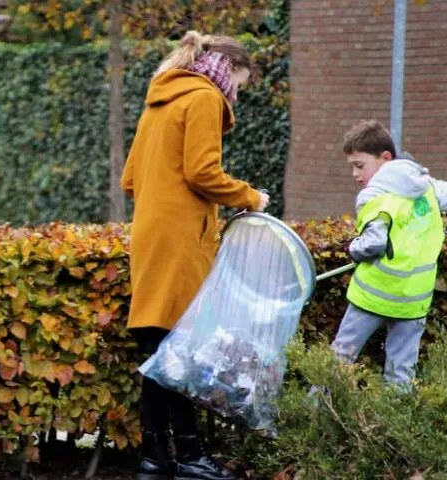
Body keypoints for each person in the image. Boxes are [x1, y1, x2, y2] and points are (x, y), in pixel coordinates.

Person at [121, 30, 271, 480]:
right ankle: (190, 457)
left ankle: (156, 458)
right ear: (229, 71)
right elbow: (203, 171)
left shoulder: (161, 99)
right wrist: (251, 198)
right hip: (182, 237)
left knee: (158, 345)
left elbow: (130, 178)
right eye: (240, 86)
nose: (236, 96)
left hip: (151, 233)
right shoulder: (204, 97)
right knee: (180, 349)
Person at [331, 120, 447, 388]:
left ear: (385, 158)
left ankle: (313, 415)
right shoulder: (428, 186)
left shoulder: (374, 196)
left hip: (372, 296)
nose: (355, 174)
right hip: (413, 301)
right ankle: (397, 427)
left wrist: (352, 248)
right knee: (401, 372)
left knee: (340, 357)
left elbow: (372, 244)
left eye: (359, 165)